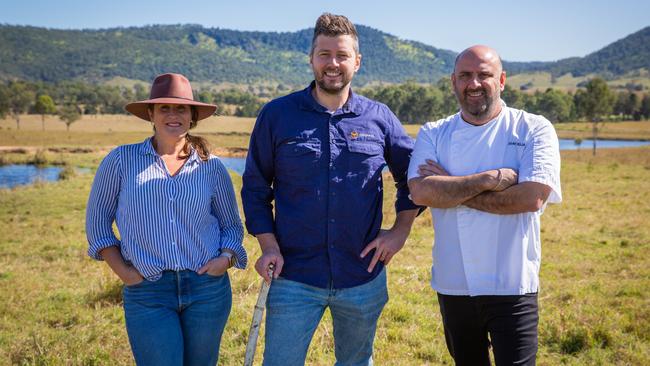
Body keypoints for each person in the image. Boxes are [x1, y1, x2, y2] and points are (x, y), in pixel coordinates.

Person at [241, 13, 420, 366]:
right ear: (311, 59)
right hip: (293, 276)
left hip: (362, 278)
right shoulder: (277, 115)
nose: (332, 64)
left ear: (357, 62)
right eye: (324, 54)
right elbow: (255, 186)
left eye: (341, 55)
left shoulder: (379, 117)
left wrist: (400, 232)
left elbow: (414, 178)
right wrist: (268, 245)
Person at [407, 45, 562, 365]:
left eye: (484, 75)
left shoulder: (533, 128)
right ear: (453, 82)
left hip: (512, 283)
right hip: (454, 283)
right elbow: (421, 192)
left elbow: (530, 198)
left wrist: (450, 186)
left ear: (502, 80)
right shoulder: (434, 132)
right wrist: (489, 178)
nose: (474, 83)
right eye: (465, 76)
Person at [85, 73, 247, 366]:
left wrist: (224, 259)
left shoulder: (212, 167)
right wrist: (125, 272)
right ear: (151, 114)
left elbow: (232, 226)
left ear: (192, 116)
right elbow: (97, 224)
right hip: (148, 290)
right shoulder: (121, 161)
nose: (173, 115)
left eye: (181, 108)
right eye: (164, 108)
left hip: (206, 290)